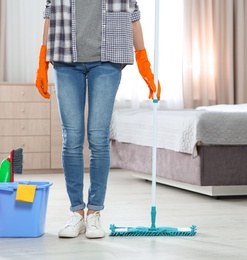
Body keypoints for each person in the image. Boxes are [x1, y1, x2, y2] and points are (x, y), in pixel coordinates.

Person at [35, 0, 161, 239]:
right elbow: (50, 14)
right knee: (71, 137)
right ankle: (77, 213)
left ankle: (94, 214)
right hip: (65, 59)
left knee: (98, 136)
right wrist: (42, 61)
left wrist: (144, 63)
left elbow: (133, 16)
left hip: (107, 61)